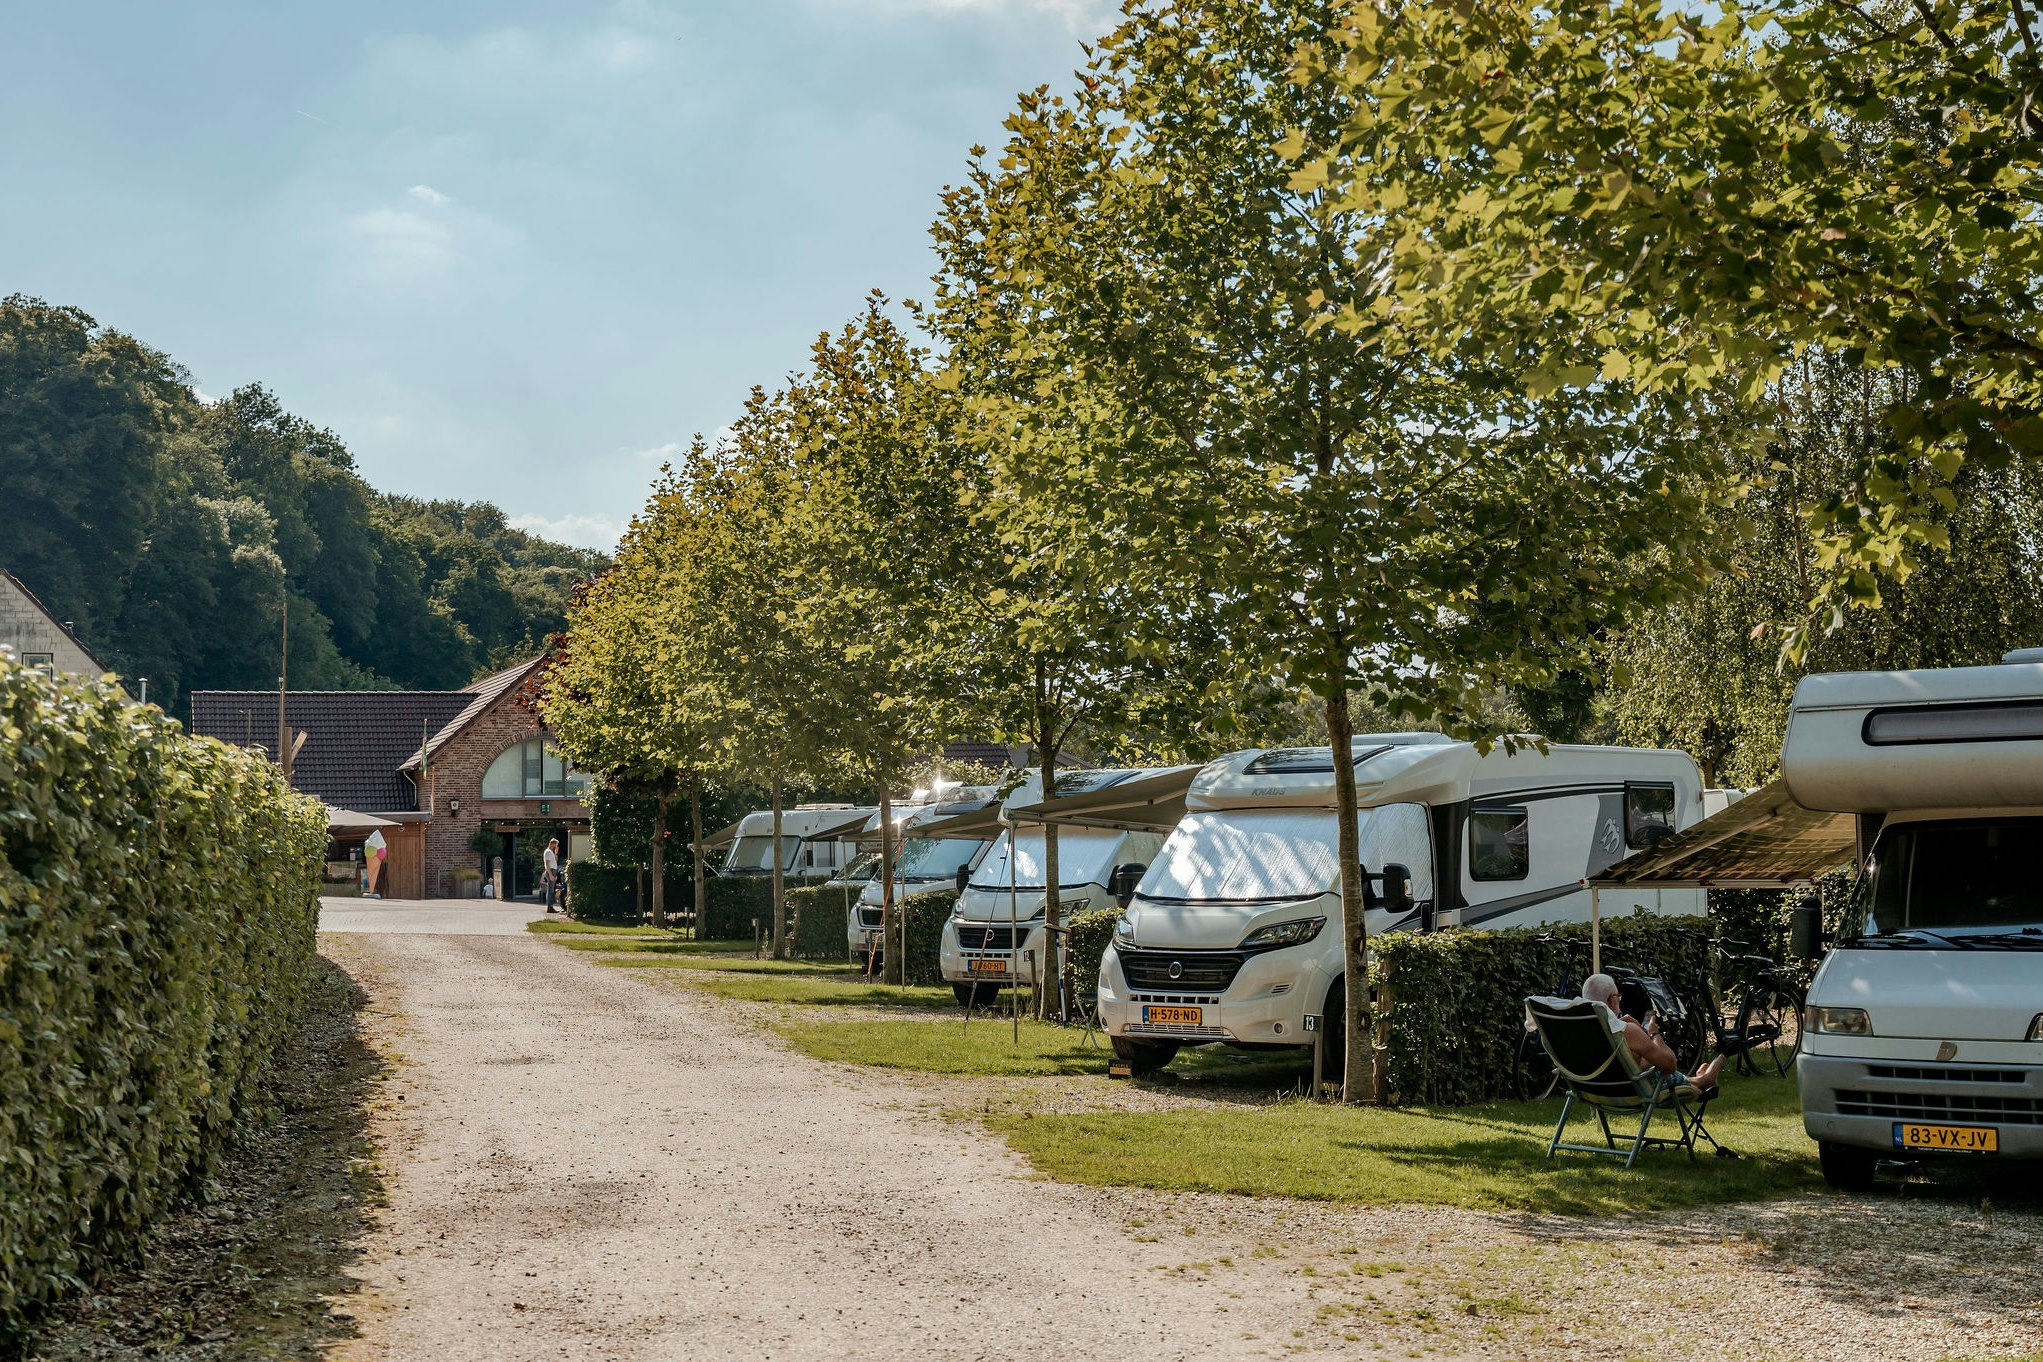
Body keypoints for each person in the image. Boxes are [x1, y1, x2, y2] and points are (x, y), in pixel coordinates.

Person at [1581, 972, 1723, 1092]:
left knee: (1643, 1059)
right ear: (1612, 1000)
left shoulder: (1577, 1029)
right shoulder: (1624, 1030)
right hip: (1628, 1091)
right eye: (1618, 997)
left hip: (1591, 1090)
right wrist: (1653, 1034)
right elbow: (1670, 1065)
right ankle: (1702, 1082)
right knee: (1658, 1068)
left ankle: (1697, 1079)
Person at [542, 837, 562, 912]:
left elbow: (555, 862)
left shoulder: (551, 852)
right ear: (552, 844)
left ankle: (551, 906)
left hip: (553, 870)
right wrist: (550, 874)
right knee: (550, 890)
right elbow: (547, 864)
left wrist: (556, 852)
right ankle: (549, 907)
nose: (556, 846)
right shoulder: (547, 852)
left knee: (552, 889)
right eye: (556, 845)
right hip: (550, 871)